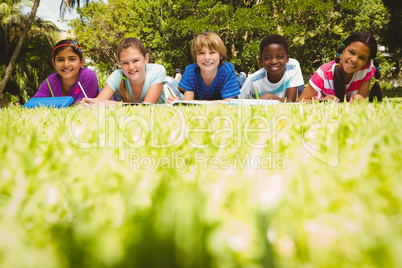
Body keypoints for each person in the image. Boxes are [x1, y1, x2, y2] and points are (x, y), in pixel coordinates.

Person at [80, 37, 166, 107]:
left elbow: (147, 108)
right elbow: (97, 103)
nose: (131, 67)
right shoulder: (118, 76)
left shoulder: (157, 71)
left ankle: (177, 76)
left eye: (135, 60)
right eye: (125, 63)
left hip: (170, 90)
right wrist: (89, 103)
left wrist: (110, 104)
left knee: (173, 86)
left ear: (146, 59)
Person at [298, 32, 382, 103]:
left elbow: (359, 102)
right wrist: (322, 100)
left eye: (362, 58)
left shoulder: (367, 69)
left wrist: (358, 98)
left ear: (366, 62)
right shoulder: (324, 72)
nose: (354, 60)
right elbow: (300, 101)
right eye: (351, 52)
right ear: (343, 50)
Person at [167, 32, 240, 103]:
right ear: (196, 56)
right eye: (201, 53)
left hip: (231, 84)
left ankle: (241, 78)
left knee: (239, 84)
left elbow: (229, 103)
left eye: (212, 52)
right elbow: (187, 103)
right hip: (184, 89)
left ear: (221, 55)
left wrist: (198, 102)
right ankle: (178, 77)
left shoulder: (227, 70)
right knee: (175, 87)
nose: (207, 57)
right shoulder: (190, 72)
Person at [239, 34, 304, 102]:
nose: (274, 61)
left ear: (287, 59)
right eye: (268, 58)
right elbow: (237, 102)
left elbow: (291, 102)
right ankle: (240, 80)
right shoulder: (252, 80)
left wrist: (272, 98)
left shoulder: (292, 67)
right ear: (262, 61)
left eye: (279, 57)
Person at [33, 39, 99, 102]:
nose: (66, 65)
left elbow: (84, 107)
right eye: (60, 60)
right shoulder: (50, 82)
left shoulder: (88, 76)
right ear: (54, 63)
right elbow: (33, 105)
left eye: (72, 59)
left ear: (81, 62)